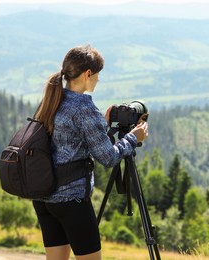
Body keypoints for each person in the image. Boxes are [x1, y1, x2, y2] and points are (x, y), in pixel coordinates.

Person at [32, 45, 148, 260]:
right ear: (87, 74)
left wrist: (100, 126)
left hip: (44, 196)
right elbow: (109, 157)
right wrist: (133, 137)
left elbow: (67, 139)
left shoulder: (52, 99)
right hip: (71, 199)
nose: (98, 80)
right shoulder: (84, 108)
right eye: (97, 75)